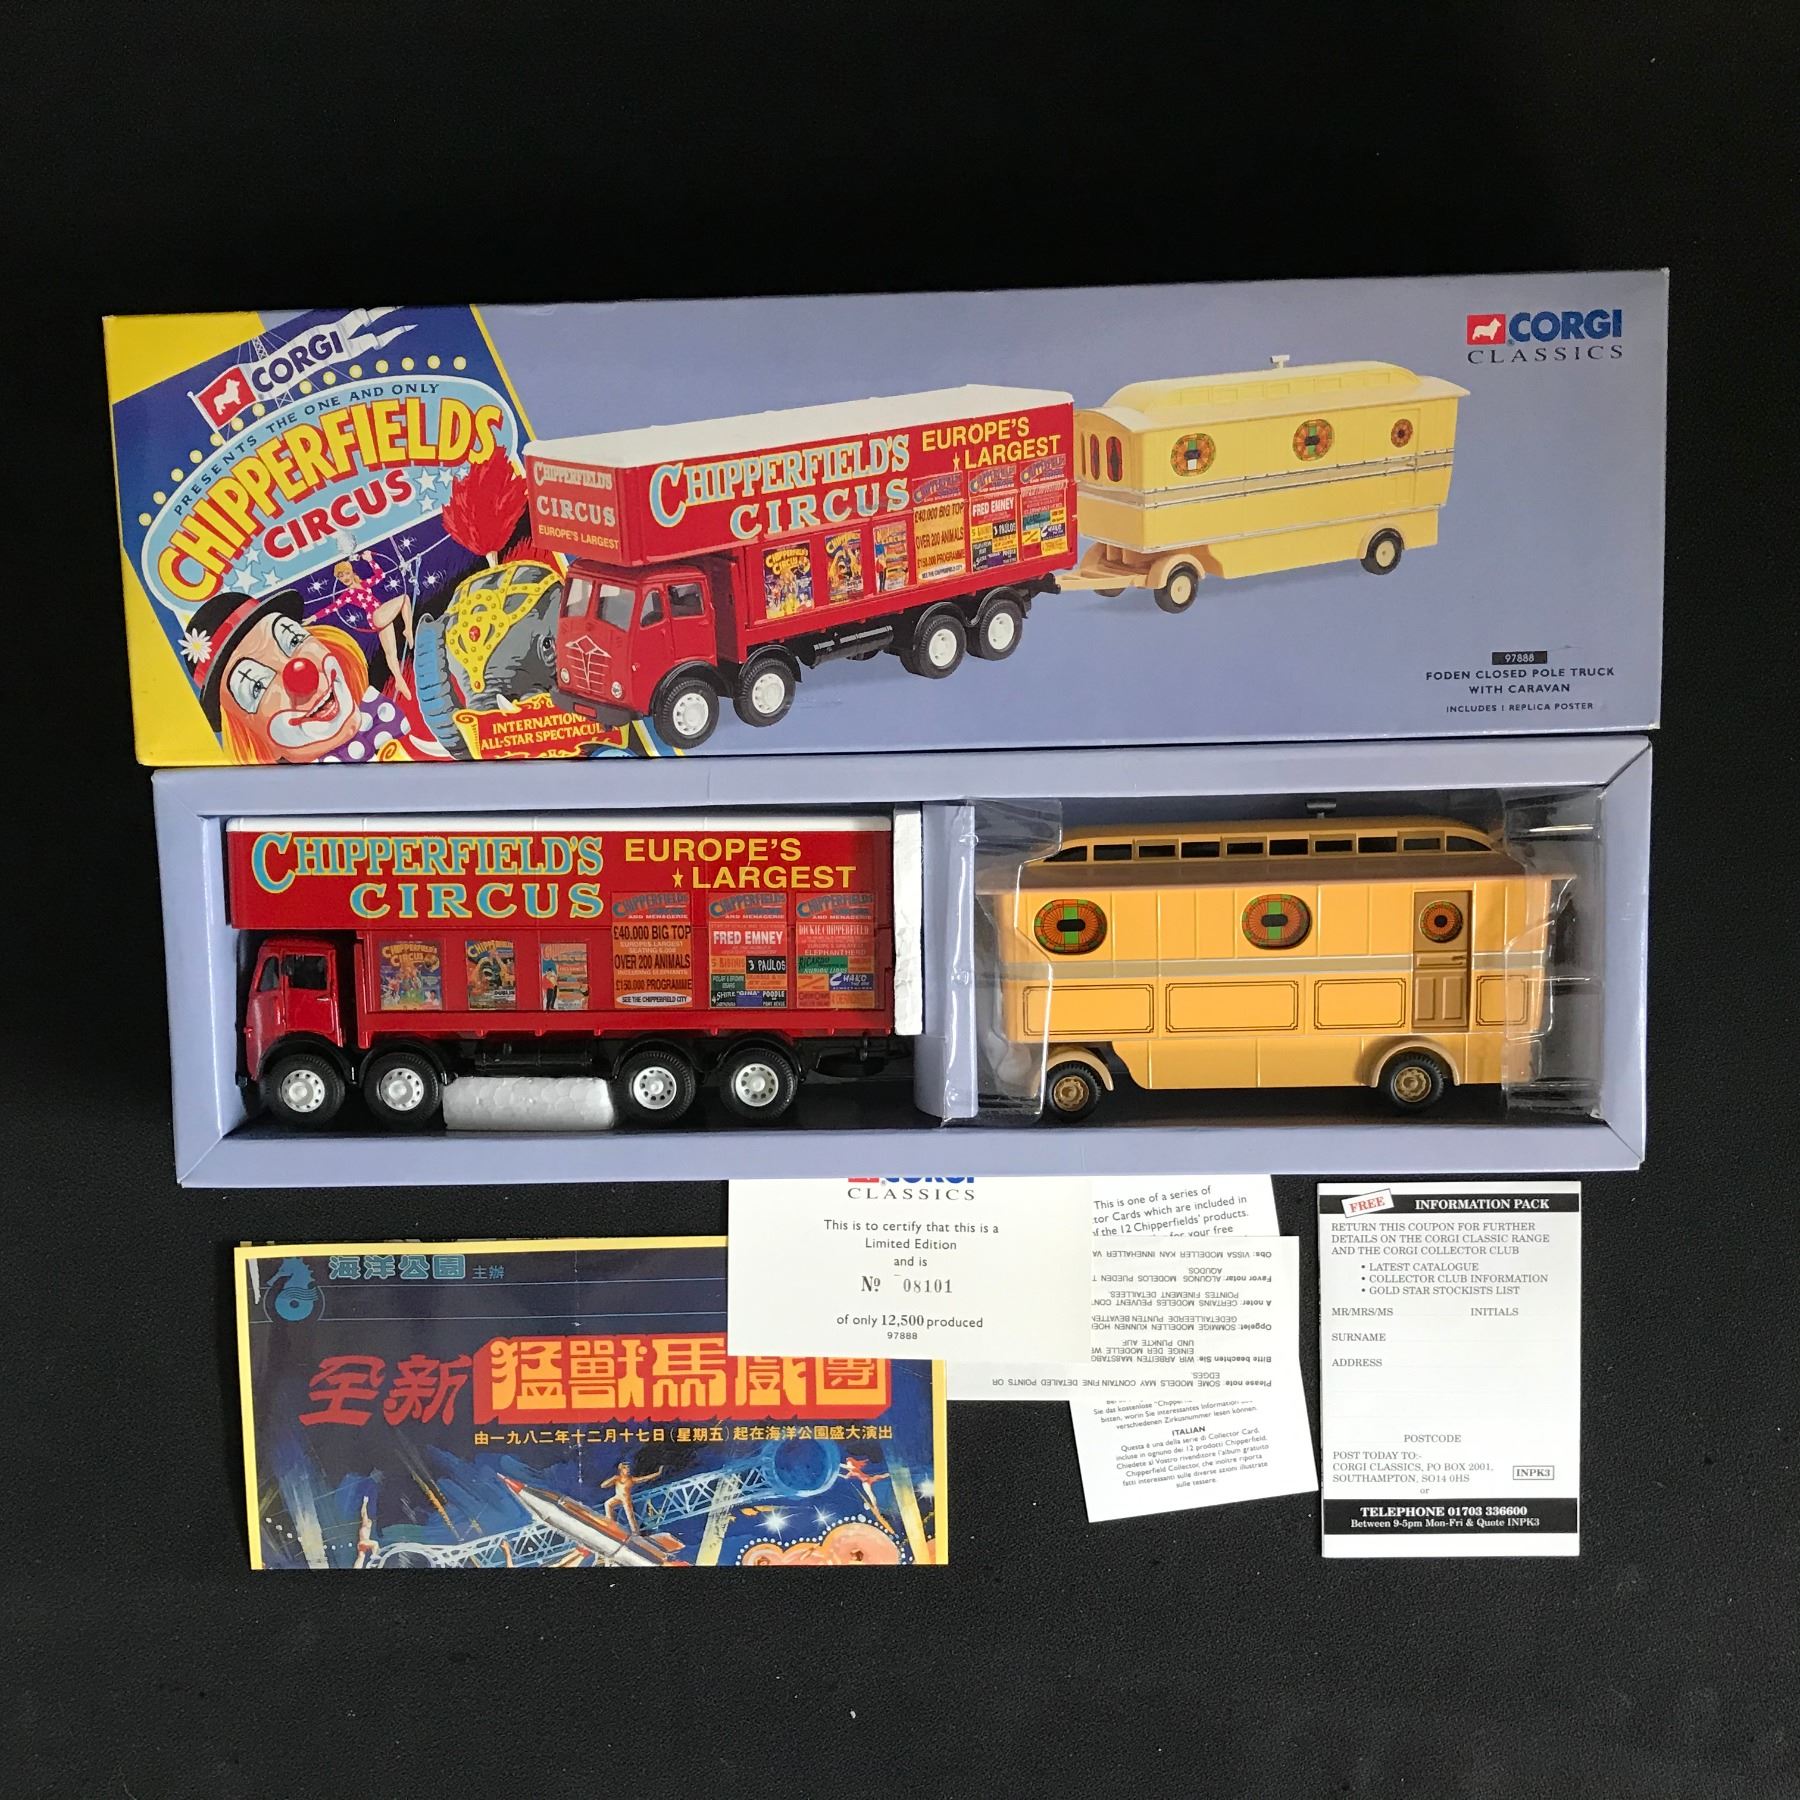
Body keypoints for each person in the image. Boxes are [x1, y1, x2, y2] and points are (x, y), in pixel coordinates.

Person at [600, 1460, 663, 1537]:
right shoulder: (617, 1478)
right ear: (621, 1470)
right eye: (625, 1468)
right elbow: (603, 1486)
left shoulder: (631, 1479)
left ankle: (635, 1532)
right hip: (617, 1497)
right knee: (607, 1504)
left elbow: (644, 1478)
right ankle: (610, 1522)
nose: (628, 1470)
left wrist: (658, 1473)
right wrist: (612, 1479)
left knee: (630, 1516)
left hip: (626, 1500)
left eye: (628, 1468)